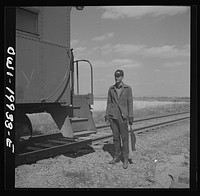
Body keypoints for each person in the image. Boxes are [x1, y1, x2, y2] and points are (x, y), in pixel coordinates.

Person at [105, 69, 134, 169]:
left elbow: (130, 103)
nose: (117, 78)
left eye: (119, 76)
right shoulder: (111, 89)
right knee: (116, 138)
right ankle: (117, 156)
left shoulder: (127, 88)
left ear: (122, 77)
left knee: (125, 139)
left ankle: (125, 158)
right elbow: (109, 102)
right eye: (115, 76)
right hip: (113, 117)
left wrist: (130, 116)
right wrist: (107, 114)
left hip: (123, 117)